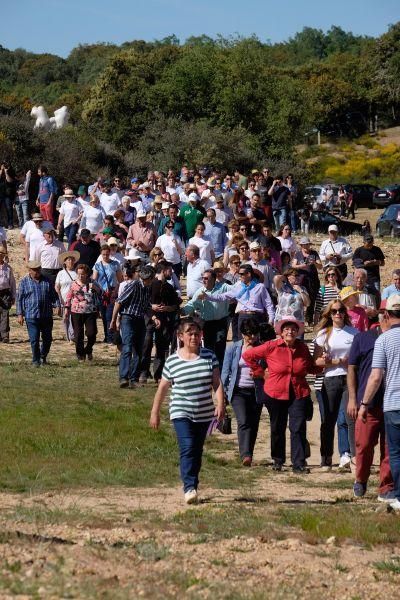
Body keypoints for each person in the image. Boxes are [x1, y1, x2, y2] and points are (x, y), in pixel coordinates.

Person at [150, 318, 225, 504]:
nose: (194, 337)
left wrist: (221, 404)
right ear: (180, 336)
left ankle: (193, 483)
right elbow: (162, 388)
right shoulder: (173, 361)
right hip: (180, 411)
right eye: (190, 333)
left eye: (197, 334)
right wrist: (155, 413)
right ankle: (189, 487)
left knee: (197, 450)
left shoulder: (209, 356)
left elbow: (216, 383)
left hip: (204, 413)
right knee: (187, 447)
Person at [243, 316, 318, 473]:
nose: (290, 331)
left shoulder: (303, 348)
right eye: (286, 329)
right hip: (276, 391)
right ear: (281, 333)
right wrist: (260, 372)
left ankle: (298, 463)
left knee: (297, 427)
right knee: (278, 426)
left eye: (293, 329)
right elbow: (248, 355)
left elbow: (310, 367)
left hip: (298, 392)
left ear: (297, 332)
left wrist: (323, 364)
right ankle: (278, 460)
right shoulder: (271, 346)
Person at [347, 310, 394, 500]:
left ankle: (386, 486)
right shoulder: (363, 338)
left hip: (392, 401)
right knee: (364, 444)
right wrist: (352, 398)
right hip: (368, 402)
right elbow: (352, 368)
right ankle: (361, 479)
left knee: (389, 448)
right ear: (384, 316)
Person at [359, 294, 400, 511]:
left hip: (393, 402)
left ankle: (398, 493)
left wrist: (364, 404)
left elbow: (376, 376)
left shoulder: (383, 339)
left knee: (394, 452)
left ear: (386, 314)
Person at [314, 299, 359, 472]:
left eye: (340, 310)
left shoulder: (354, 333)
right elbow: (316, 362)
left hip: (349, 378)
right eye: (334, 311)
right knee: (328, 419)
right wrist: (334, 361)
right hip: (331, 378)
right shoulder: (324, 334)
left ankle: (346, 455)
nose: (338, 313)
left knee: (347, 418)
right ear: (329, 314)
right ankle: (326, 458)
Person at [221, 318, 265, 466]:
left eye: (254, 334)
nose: (252, 337)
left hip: (257, 391)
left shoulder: (263, 349)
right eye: (249, 334)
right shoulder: (233, 348)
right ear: (242, 334)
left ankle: (249, 454)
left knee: (254, 423)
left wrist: (260, 373)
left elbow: (268, 370)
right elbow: (225, 372)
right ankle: (245, 454)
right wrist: (223, 394)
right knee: (243, 421)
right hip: (238, 391)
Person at [110, 265, 159, 388]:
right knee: (127, 347)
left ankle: (133, 378)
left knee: (138, 350)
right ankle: (123, 377)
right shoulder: (134, 285)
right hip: (128, 318)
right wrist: (113, 320)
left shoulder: (147, 288)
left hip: (139, 319)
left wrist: (154, 317)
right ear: (149, 278)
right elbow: (119, 301)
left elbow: (146, 307)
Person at [199, 263, 275, 337]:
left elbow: (268, 304)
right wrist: (207, 296)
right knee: (241, 342)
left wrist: (271, 319)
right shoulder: (239, 287)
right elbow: (223, 296)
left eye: (241, 274)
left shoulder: (260, 287)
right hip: (242, 316)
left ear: (248, 274)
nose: (239, 276)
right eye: (239, 274)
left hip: (256, 316)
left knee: (256, 340)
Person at [139, 261, 181, 384]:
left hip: (164, 321)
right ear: (163, 270)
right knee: (146, 345)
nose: (171, 272)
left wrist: (169, 308)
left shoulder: (169, 287)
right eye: (169, 270)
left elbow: (176, 304)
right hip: (149, 319)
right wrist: (153, 309)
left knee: (161, 346)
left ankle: (158, 374)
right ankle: (143, 372)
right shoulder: (151, 285)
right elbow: (144, 304)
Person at [182, 269, 230, 369]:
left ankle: (220, 371)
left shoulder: (223, 287)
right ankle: (209, 370)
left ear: (213, 279)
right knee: (209, 348)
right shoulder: (199, 292)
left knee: (220, 346)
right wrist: (181, 311)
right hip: (207, 323)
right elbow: (191, 305)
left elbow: (235, 290)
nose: (203, 280)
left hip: (221, 322)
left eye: (206, 278)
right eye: (203, 278)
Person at [16, 261, 61, 366]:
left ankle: (43, 356)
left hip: (46, 315)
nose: (37, 272)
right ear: (29, 271)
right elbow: (19, 299)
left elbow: (53, 295)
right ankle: (35, 361)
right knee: (34, 339)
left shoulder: (47, 281)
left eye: (38, 269)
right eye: (34, 270)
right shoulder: (24, 282)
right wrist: (19, 314)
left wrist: (57, 305)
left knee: (48, 339)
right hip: (31, 315)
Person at [64, 263, 102, 361]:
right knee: (78, 334)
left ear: (87, 274)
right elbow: (68, 297)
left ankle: (88, 349)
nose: (81, 276)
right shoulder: (73, 284)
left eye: (83, 274)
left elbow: (101, 293)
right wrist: (66, 310)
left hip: (90, 312)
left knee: (91, 333)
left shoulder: (92, 282)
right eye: (79, 274)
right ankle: (80, 354)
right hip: (76, 312)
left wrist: (95, 288)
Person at [92, 244, 123, 343]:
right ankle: (106, 335)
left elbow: (120, 280)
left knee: (110, 315)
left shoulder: (115, 264)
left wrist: (116, 291)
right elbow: (94, 280)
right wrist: (98, 290)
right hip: (101, 293)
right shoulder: (97, 265)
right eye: (104, 254)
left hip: (112, 293)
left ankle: (110, 337)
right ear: (101, 254)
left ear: (110, 253)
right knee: (104, 316)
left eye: (107, 254)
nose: (105, 256)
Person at [55, 250, 79, 341]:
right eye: (68, 260)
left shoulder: (77, 273)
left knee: (73, 317)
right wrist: (59, 296)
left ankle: (72, 335)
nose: (70, 261)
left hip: (75, 299)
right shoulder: (61, 273)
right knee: (65, 317)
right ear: (65, 262)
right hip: (64, 298)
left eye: (72, 260)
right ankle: (68, 335)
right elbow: (57, 286)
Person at [0, 245, 16, 343]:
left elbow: (12, 282)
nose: (0, 256)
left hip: (5, 293)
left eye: (2, 254)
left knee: (5, 314)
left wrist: (13, 296)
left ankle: (5, 335)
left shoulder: (8, 268)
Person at [0, 162, 17, 229]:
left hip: (8, 194)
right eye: (2, 166)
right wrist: (1, 172)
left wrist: (6, 172)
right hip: (0, 194)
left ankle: (10, 224)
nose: (4, 167)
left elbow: (9, 181)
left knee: (9, 209)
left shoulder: (11, 172)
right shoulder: (0, 172)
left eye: (5, 166)